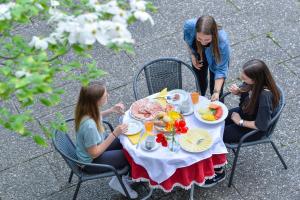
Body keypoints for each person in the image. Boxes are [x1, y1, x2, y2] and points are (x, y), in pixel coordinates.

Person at [202, 59, 280, 187]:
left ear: (255, 79)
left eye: (244, 77)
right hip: (244, 114)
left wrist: (240, 121)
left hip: (252, 129)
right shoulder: (254, 84)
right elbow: (248, 96)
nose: (241, 78)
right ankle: (209, 158)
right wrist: (239, 91)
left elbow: (261, 125)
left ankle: (219, 171)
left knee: (216, 137)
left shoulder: (264, 96)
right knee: (214, 122)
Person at [74, 82, 138, 199]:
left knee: (126, 140)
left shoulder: (86, 108)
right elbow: (94, 153)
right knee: (130, 154)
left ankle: (128, 175)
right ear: (96, 101)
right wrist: (114, 134)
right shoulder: (89, 126)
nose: (108, 95)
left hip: (95, 147)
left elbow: (97, 115)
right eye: (105, 96)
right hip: (90, 162)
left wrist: (111, 110)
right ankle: (119, 181)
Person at [183, 15, 230, 101]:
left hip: (216, 54)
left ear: (214, 34)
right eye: (199, 38)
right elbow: (188, 41)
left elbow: (221, 69)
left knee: (216, 89)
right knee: (200, 80)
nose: (203, 43)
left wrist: (216, 92)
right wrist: (192, 56)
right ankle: (201, 97)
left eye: (207, 40)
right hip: (198, 52)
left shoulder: (222, 42)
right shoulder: (189, 26)